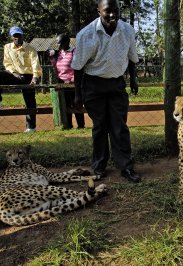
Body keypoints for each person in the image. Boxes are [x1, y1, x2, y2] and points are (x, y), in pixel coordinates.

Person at [71, 0, 141, 182]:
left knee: (119, 127)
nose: (112, 15)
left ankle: (126, 167)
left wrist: (133, 80)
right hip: (93, 85)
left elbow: (132, 57)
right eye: (107, 11)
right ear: (99, 11)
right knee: (100, 126)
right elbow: (78, 67)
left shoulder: (127, 31)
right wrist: (78, 94)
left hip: (117, 84)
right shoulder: (86, 35)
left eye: (116, 11)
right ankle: (99, 166)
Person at [0, 26, 42, 132]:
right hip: (14, 74)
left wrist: (35, 77)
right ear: (12, 37)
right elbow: (7, 63)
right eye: (15, 36)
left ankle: (31, 127)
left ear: (22, 35)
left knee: (30, 100)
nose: (17, 38)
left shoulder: (30, 48)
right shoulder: (7, 47)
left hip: (29, 75)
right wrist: (14, 73)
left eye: (19, 35)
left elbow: (35, 64)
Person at [49, 33, 85, 129]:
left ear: (66, 42)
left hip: (73, 83)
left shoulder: (74, 51)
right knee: (65, 105)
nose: (58, 45)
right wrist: (52, 58)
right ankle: (68, 125)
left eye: (59, 43)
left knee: (76, 103)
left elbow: (78, 68)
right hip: (62, 83)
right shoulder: (59, 53)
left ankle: (81, 125)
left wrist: (72, 80)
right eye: (57, 43)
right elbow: (55, 68)